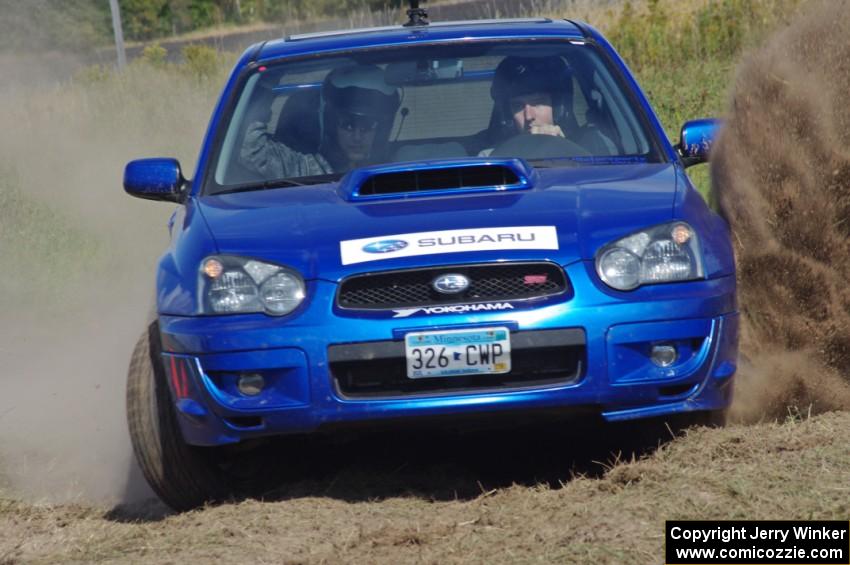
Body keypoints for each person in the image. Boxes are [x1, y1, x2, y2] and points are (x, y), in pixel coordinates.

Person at [240, 64, 400, 179]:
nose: (357, 137)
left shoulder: (396, 172)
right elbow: (252, 151)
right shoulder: (305, 168)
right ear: (332, 125)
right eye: (348, 125)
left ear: (379, 130)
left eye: (367, 126)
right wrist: (268, 79)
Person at [479, 55, 616, 156]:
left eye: (538, 102)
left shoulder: (594, 147)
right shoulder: (491, 158)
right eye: (517, 106)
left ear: (559, 108)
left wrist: (563, 150)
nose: (529, 116)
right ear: (508, 115)